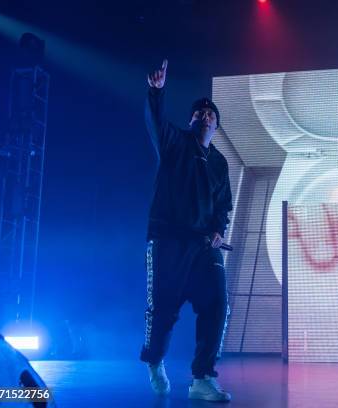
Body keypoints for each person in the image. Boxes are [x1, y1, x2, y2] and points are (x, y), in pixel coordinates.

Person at [139, 59, 233, 402]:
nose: (204, 116)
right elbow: (155, 121)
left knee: (217, 304)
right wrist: (156, 91)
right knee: (163, 313)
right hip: (167, 242)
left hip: (203, 248)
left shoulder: (220, 163)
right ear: (191, 121)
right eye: (198, 113)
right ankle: (154, 361)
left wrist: (219, 230)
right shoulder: (174, 142)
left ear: (216, 126)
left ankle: (203, 377)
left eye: (210, 115)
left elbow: (223, 206)